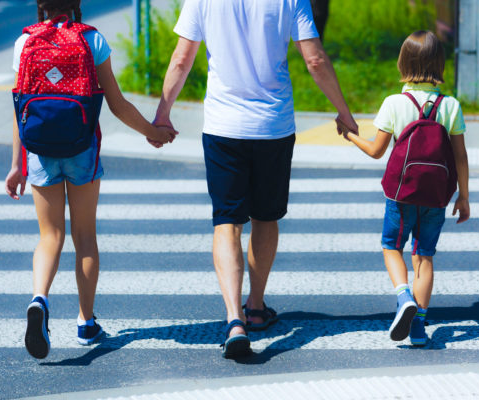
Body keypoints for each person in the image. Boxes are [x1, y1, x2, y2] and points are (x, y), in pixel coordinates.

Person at [153, 0, 358, 358]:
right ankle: (257, 307)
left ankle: (234, 320)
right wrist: (344, 112)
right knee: (265, 217)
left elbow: (182, 59)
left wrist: (162, 114)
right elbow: (315, 60)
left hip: (223, 127)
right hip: (272, 126)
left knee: (227, 222)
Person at [4, 0, 176, 359]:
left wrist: (17, 164)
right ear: (76, 3)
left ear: (41, 5)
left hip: (39, 148)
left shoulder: (24, 43)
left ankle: (39, 299)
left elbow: (21, 107)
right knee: (84, 236)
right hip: (82, 147)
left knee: (50, 236)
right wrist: (153, 131)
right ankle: (85, 322)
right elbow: (116, 104)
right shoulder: (91, 39)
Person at [340, 30, 470, 346]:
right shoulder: (450, 105)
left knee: (391, 247)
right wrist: (463, 196)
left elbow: (375, 151)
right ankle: (419, 328)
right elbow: (460, 156)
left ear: (403, 62)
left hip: (401, 193)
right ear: (440, 64)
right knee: (424, 257)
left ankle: (403, 298)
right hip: (437, 196)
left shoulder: (395, 103)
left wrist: (348, 133)